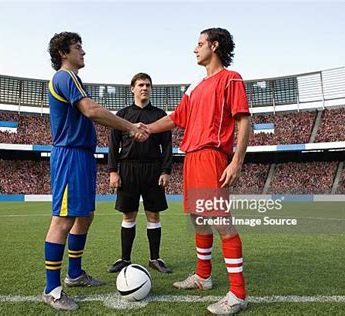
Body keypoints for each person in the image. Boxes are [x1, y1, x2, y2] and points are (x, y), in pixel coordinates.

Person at [145, 28, 251, 315]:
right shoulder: (194, 87)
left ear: (214, 46)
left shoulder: (231, 79)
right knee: (198, 218)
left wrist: (236, 161)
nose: (195, 49)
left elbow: (243, 122)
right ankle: (203, 277)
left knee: (220, 221)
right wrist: (145, 129)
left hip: (211, 155)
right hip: (191, 156)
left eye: (200, 43)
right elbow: (176, 119)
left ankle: (238, 294)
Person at [43, 31, 148, 311]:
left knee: (85, 216)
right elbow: (91, 110)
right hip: (69, 155)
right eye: (78, 47)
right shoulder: (64, 77)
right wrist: (130, 126)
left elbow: (92, 111)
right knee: (63, 219)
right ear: (63, 53)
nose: (84, 52)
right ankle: (51, 289)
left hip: (83, 156)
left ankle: (74, 274)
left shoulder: (74, 79)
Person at [107, 73, 173, 274]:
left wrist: (166, 171)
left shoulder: (160, 115)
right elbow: (113, 145)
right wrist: (113, 171)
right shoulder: (122, 114)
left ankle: (155, 258)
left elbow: (167, 146)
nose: (144, 88)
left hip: (153, 169)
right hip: (128, 169)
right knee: (129, 215)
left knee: (153, 215)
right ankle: (125, 258)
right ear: (132, 88)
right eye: (140, 85)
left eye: (148, 85)